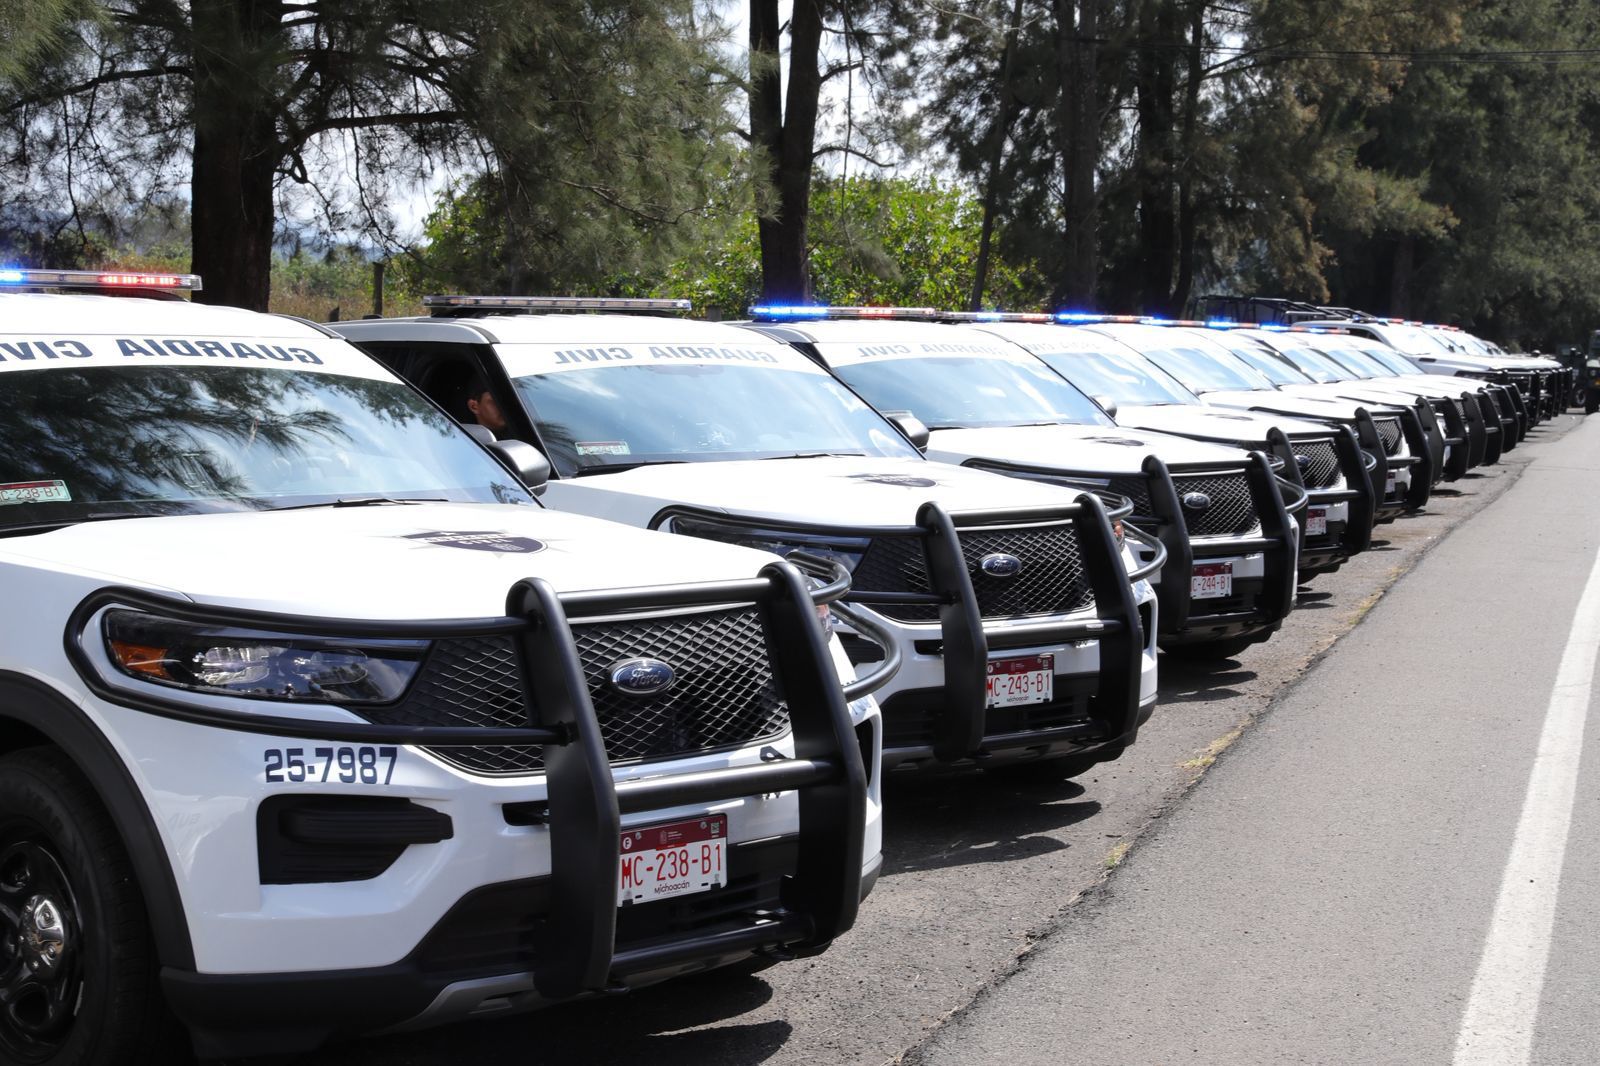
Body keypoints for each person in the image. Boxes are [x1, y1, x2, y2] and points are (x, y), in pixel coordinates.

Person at [462, 372, 509, 437]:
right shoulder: (469, 441)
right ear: (474, 407)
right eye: (495, 401)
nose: (504, 405)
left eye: (508, 399)